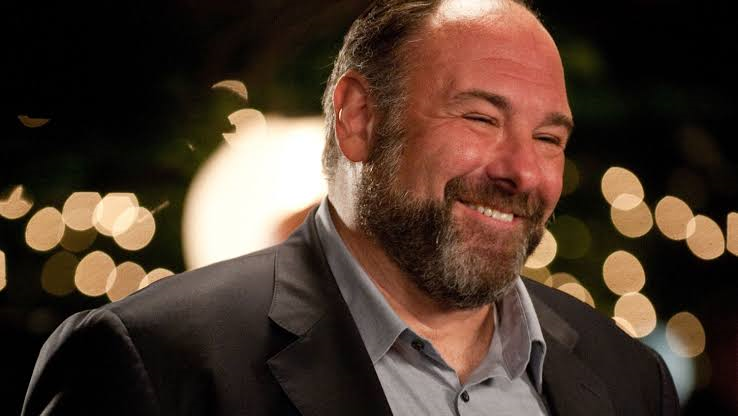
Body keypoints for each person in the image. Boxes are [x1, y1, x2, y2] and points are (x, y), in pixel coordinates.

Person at [22, 0, 679, 415]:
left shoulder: (630, 379)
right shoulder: (152, 360)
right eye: (480, 118)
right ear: (359, 118)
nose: (523, 172)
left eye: (549, 139)